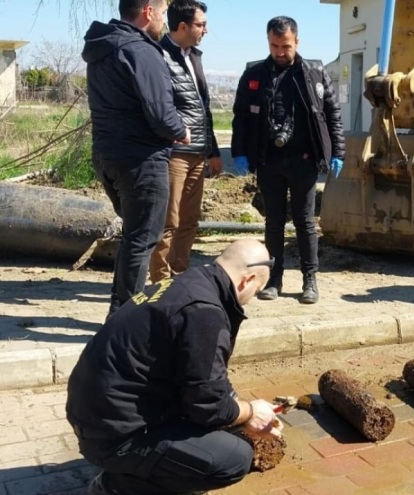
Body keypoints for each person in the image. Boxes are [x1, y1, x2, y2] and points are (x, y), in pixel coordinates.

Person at [66, 239, 283, 495]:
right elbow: (208, 407)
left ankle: (142, 466)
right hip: (112, 435)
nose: (250, 301)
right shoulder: (205, 313)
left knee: (225, 424)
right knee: (233, 459)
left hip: (97, 417)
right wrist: (250, 412)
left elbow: (204, 379)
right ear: (246, 280)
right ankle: (117, 487)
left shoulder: (190, 283)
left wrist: (235, 405)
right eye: (256, 293)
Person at [82, 0, 190, 318]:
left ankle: (122, 310)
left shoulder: (102, 48)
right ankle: (124, 318)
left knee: (134, 235)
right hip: (141, 159)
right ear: (147, 11)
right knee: (142, 239)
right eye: (161, 12)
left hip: (107, 156)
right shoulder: (141, 51)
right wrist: (181, 130)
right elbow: (160, 113)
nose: (163, 20)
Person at [231, 15, 345, 305]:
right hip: (269, 160)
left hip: (304, 161)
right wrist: (239, 152)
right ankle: (274, 279)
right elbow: (241, 118)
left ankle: (310, 280)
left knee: (305, 222)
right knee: (274, 222)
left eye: (286, 46)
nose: (280, 52)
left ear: (297, 41)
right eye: (274, 46)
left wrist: (338, 152)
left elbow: (332, 114)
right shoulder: (255, 74)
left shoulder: (314, 73)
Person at [150, 0, 223, 284]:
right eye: (201, 24)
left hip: (197, 153)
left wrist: (213, 151)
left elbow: (202, 109)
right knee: (169, 222)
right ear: (183, 26)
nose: (206, 30)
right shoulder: (159, 56)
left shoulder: (194, 57)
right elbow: (160, 106)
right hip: (174, 153)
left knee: (189, 222)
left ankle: (178, 280)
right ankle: (160, 283)